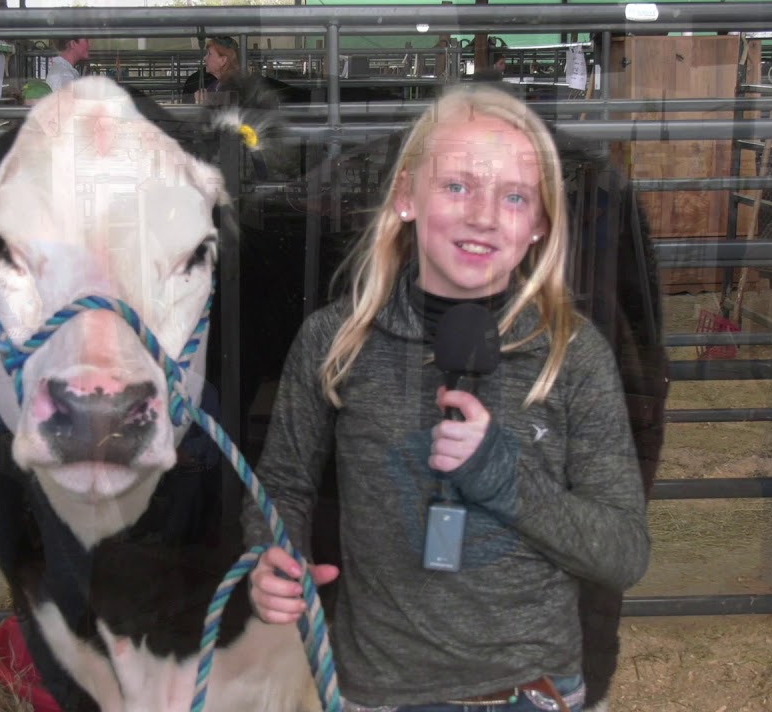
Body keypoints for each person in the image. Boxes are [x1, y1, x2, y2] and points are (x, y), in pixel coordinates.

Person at [241, 83, 651, 712]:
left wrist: (504, 479)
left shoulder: (574, 355)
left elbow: (622, 552)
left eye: (514, 197)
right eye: (457, 186)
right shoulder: (336, 339)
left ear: (540, 223)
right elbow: (284, 485)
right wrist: (270, 555)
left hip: (528, 689)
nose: (483, 215)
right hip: (375, 689)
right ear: (406, 195)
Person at [193, 35, 241, 105]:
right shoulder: (214, 86)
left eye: (210, 54)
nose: (205, 58)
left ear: (223, 60)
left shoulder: (234, 88)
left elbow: (224, 114)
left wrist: (204, 102)